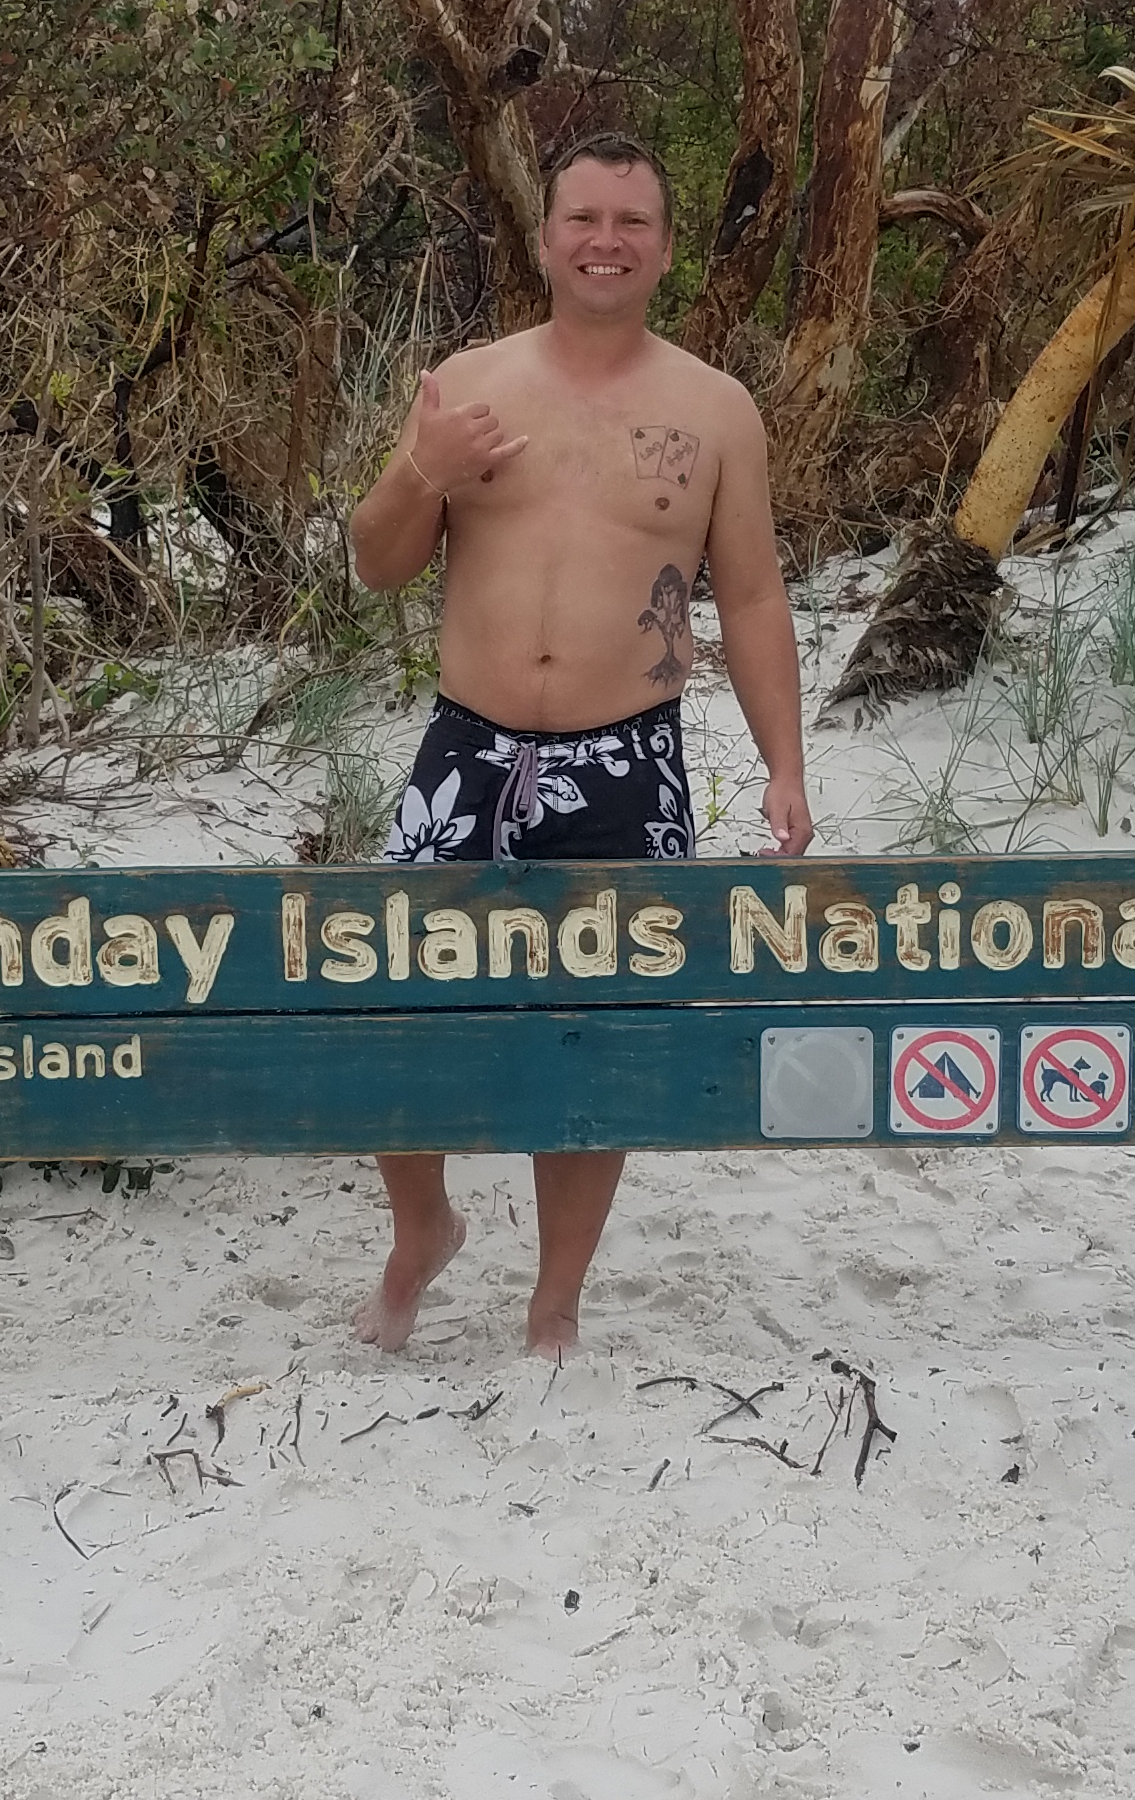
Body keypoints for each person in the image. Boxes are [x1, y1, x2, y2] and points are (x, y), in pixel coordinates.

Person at [346, 131, 813, 1356]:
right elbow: (378, 564)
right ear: (546, 238)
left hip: (628, 762)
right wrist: (419, 467)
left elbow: (751, 596)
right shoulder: (469, 384)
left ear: (666, 246)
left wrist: (785, 765)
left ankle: (554, 1305)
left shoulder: (715, 410)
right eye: (584, 219)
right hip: (466, 754)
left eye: (632, 221)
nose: (607, 241)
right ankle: (422, 1230)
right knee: (394, 1007)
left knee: (597, 1040)